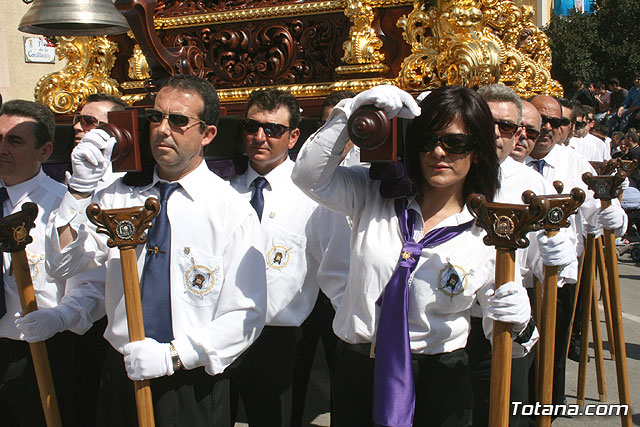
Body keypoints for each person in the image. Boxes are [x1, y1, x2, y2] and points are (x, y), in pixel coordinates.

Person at [292, 84, 537, 426]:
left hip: (438, 377)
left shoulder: (488, 228)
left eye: (455, 143)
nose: (438, 152)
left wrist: (521, 319)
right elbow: (308, 177)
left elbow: (508, 333)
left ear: (477, 151)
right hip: (360, 369)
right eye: (427, 140)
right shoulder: (374, 193)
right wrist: (352, 112)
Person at [45, 75, 267, 427]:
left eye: (178, 120)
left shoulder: (230, 210)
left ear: (207, 134)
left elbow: (246, 313)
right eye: (155, 118)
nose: (163, 129)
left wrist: (173, 356)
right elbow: (63, 265)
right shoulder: (116, 197)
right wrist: (79, 190)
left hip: (191, 380)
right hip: (122, 367)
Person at [473, 84, 576, 427]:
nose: (494, 135)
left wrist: (557, 258)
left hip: (507, 316)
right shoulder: (440, 171)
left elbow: (549, 260)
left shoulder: (530, 183)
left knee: (507, 413)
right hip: (445, 322)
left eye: (505, 127)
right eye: (484, 123)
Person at [226, 88, 321, 427]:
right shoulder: (223, 186)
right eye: (252, 127)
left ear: (294, 136)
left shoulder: (312, 194)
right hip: (220, 325)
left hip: (279, 336)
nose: (260, 137)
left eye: (273, 129)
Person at [0, 100, 93, 426]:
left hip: (42, 353)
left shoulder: (63, 206)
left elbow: (89, 282)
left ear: (44, 151)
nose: (2, 148)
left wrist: (59, 317)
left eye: (14, 140)